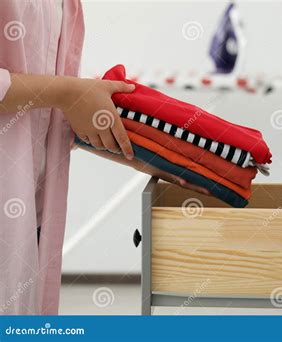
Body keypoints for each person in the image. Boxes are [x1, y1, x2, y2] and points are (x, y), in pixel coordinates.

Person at [0, 0, 208, 315]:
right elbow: (58, 94)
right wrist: (69, 93)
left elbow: (43, 115)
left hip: (31, 211)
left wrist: (149, 153)